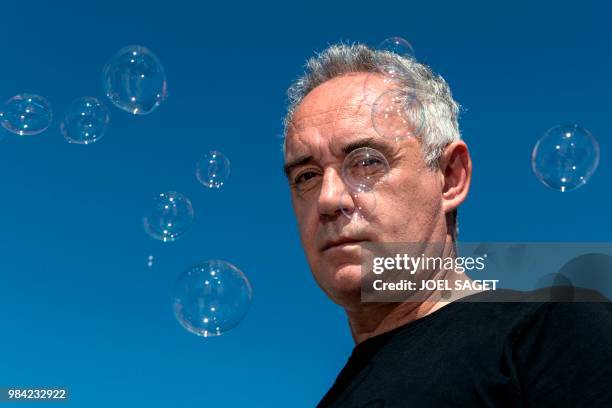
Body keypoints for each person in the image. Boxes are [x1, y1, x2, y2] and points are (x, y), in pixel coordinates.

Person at [282, 43, 612, 407]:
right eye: (307, 176)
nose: (328, 199)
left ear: (450, 177)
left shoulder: (551, 330)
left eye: (366, 162)